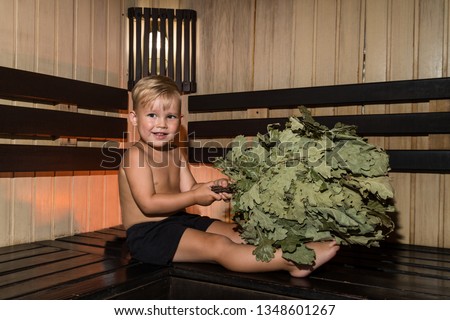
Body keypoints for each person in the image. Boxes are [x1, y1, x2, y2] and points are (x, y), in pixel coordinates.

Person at [119, 75, 339, 277]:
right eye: (152, 115)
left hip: (178, 220)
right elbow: (149, 204)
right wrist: (196, 197)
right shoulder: (135, 156)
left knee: (240, 233)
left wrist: (214, 187)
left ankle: (297, 245)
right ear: (134, 118)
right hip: (147, 235)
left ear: (180, 119)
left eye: (170, 116)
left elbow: (190, 190)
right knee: (219, 246)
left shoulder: (176, 152)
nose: (161, 124)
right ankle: (291, 262)